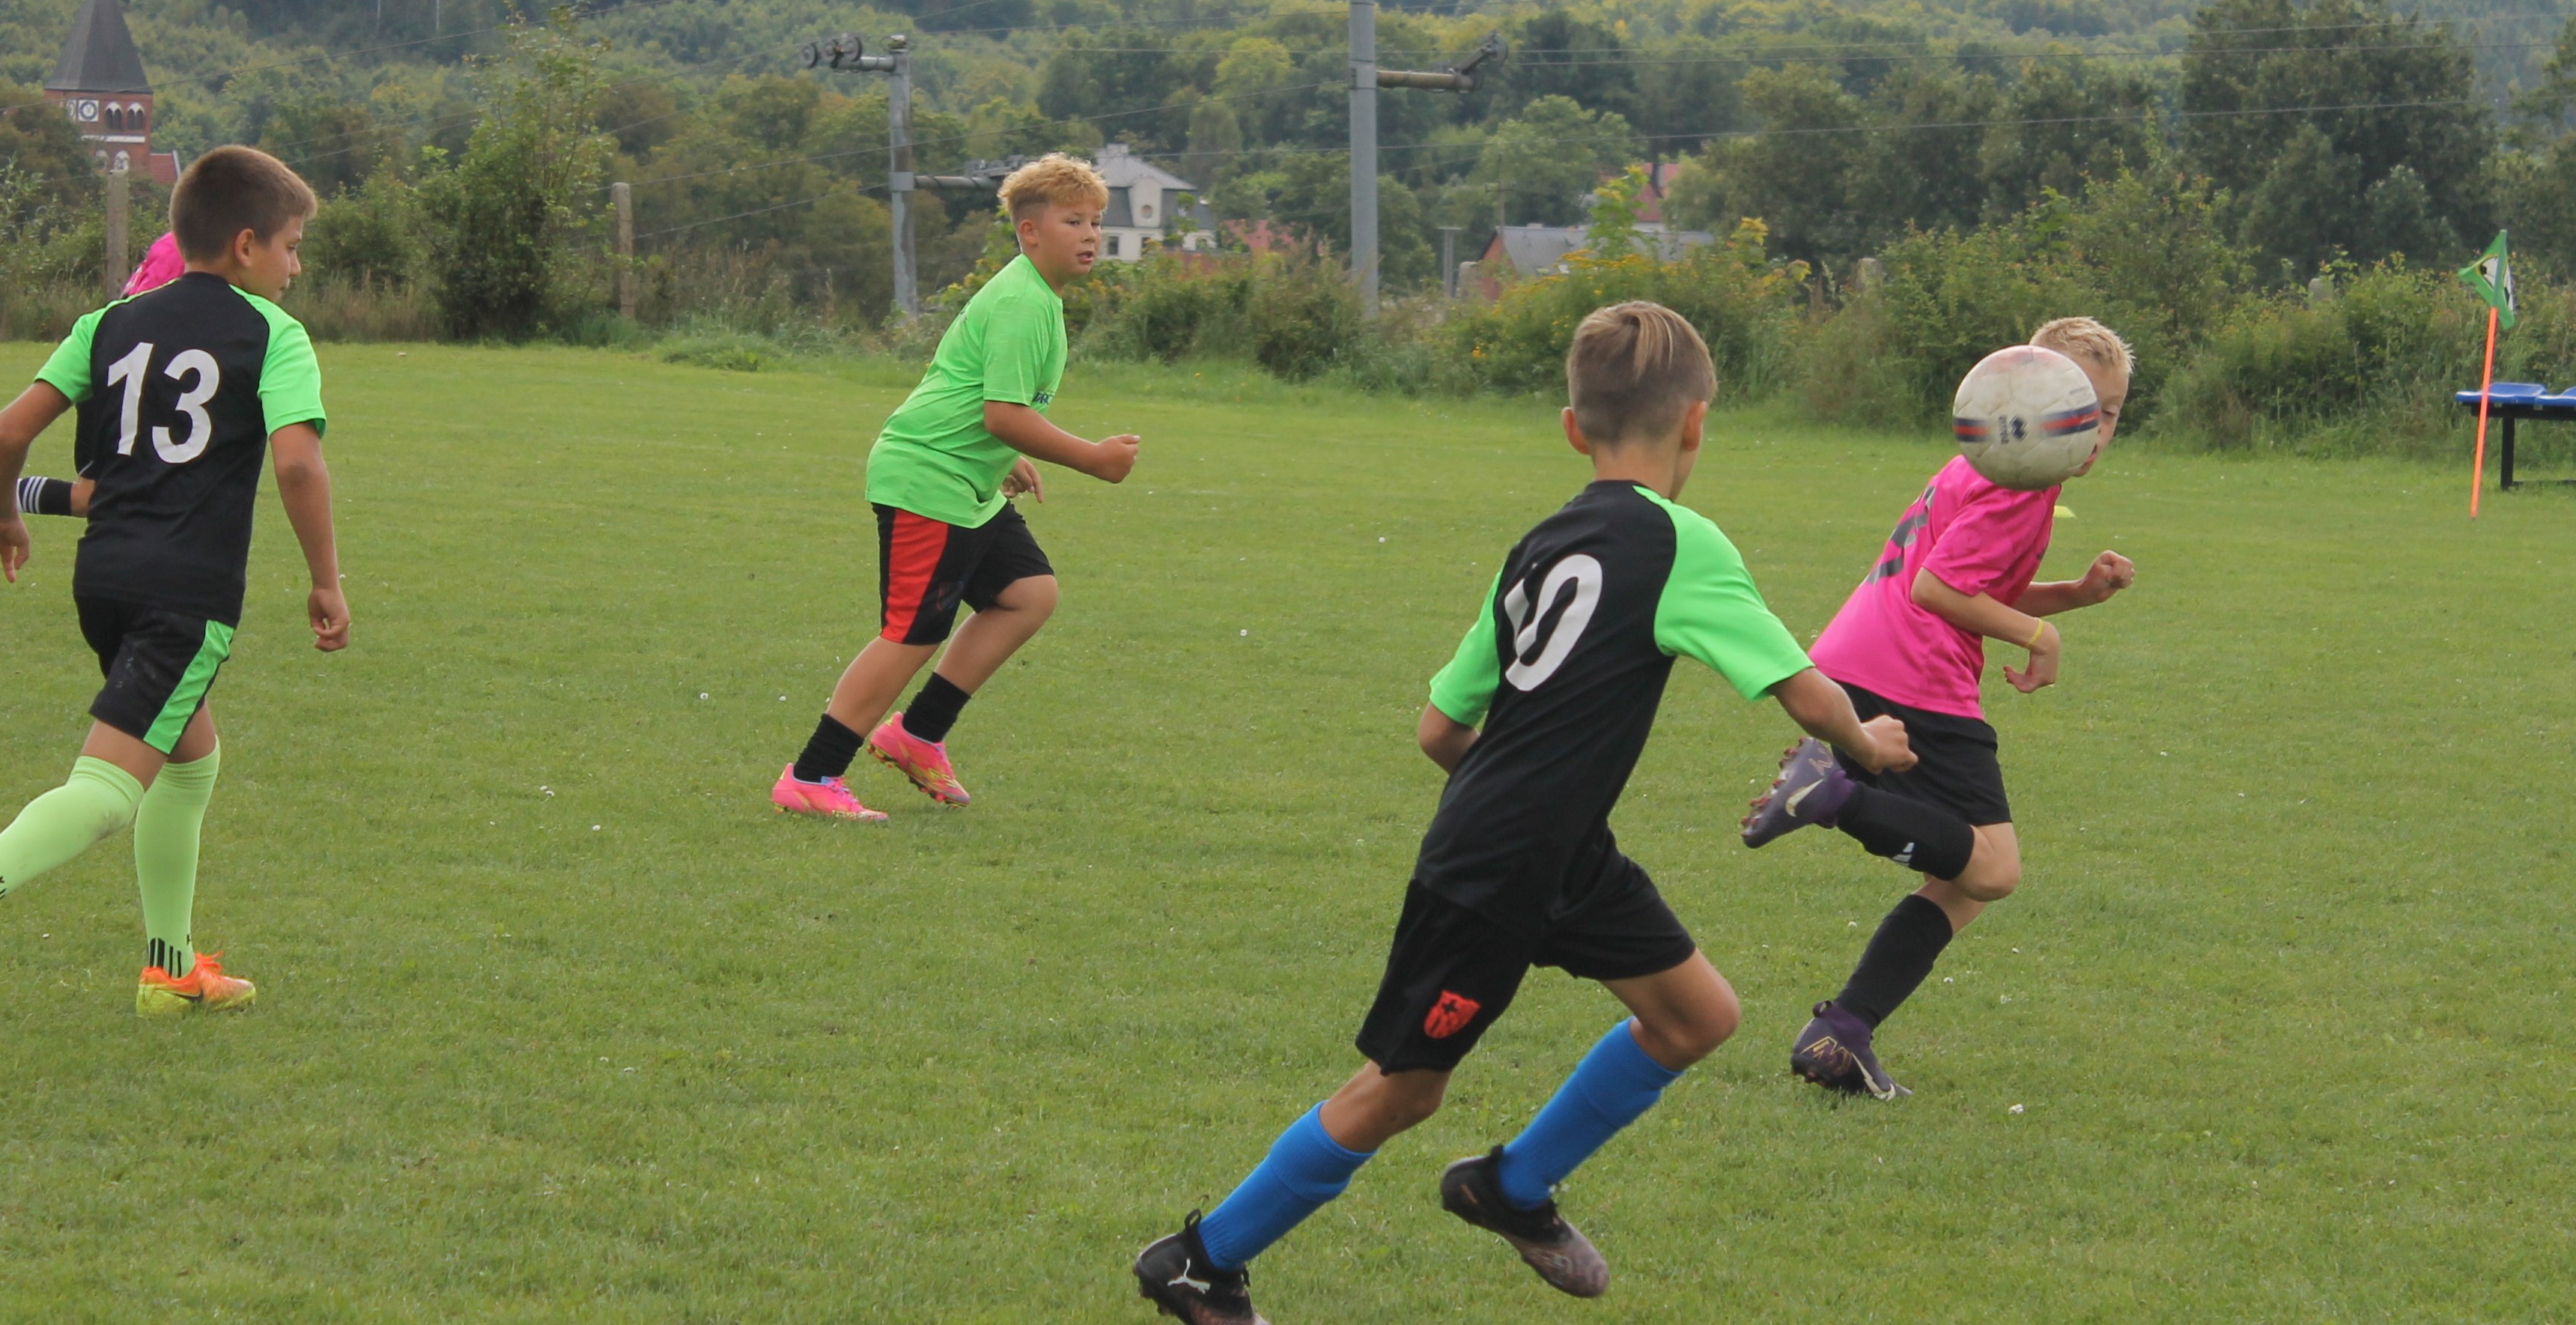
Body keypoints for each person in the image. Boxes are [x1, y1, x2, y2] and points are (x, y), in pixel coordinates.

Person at [1131, 302, 1914, 1324]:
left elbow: (1438, 729)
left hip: (1556, 849)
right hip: (1499, 864)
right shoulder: (1679, 541)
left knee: (1696, 1016)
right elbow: (1805, 694)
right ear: (1696, 422)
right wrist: (1868, 747)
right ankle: (1198, 1260)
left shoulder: (1537, 547)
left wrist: (1528, 785)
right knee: (1404, 1087)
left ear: (1571, 427)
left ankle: (1508, 1187)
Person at [0, 147, 348, 1027]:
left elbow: (7, 432)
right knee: (109, 786)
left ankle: (169, 969)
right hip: (186, 593)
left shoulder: (108, 322)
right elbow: (298, 464)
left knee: (191, 758)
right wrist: (325, 581)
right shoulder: (273, 333)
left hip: (103, 578)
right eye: (292, 247)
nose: (296, 267)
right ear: (248, 244)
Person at [1740, 316, 2141, 1099]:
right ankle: (1832, 795)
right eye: (2078, 407)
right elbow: (1939, 589)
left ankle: (1842, 1033)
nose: (2094, 430)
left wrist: (2074, 595)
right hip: (1914, 674)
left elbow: (1976, 581)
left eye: (2109, 413)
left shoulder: (1988, 465)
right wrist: (2041, 635)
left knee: (1961, 881)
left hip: (1861, 662)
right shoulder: (2021, 486)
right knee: (1992, 869)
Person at [772, 152, 1139, 820]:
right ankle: (812, 776)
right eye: (1073, 221)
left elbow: (978, 398)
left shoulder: (1035, 295)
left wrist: (1002, 454)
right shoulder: (1023, 301)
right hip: (927, 477)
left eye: (1095, 222)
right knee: (912, 633)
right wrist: (1093, 459)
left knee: (1027, 595)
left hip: (963, 477)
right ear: (1030, 232)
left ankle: (916, 736)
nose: (1090, 235)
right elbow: (1003, 414)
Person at [0, 228, 183, 546]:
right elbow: (145, 313)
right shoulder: (183, 244)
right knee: (97, 495)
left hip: (149, 369)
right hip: (131, 370)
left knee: (100, 496)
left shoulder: (195, 234)